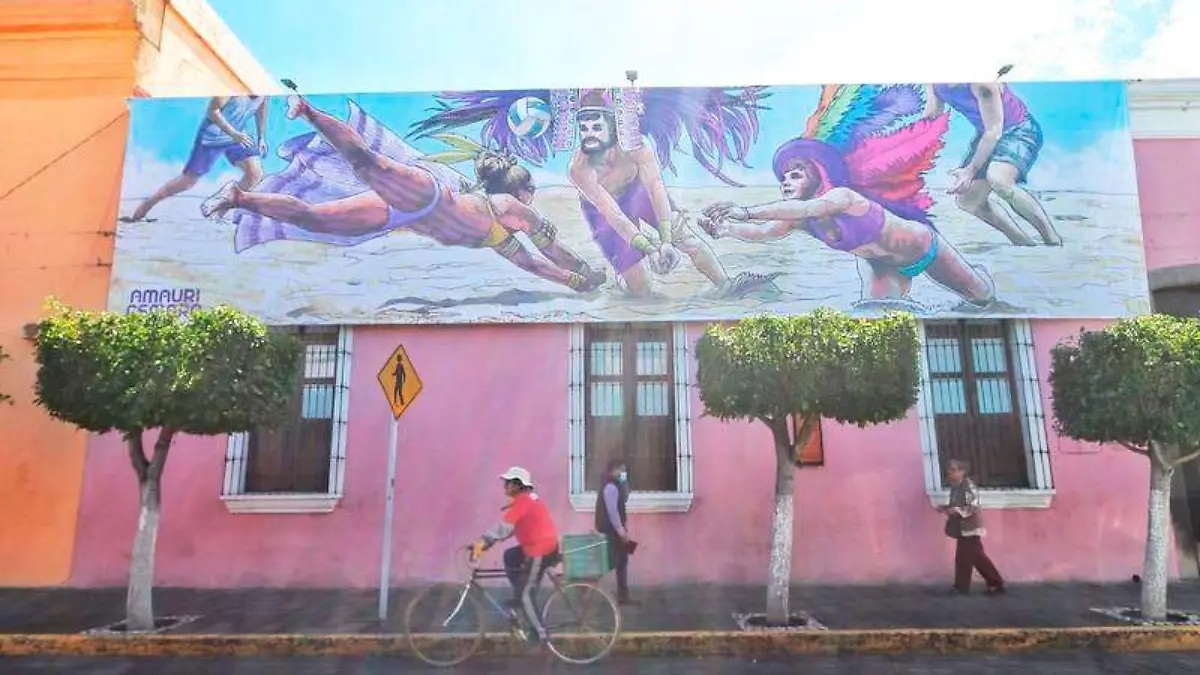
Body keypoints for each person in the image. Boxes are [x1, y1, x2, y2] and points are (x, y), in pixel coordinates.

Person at [200, 96, 606, 293]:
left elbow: (535, 265)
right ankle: (305, 109)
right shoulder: (507, 207)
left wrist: (575, 282)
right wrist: (585, 271)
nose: (533, 196)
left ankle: (237, 197)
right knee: (366, 163)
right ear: (519, 189)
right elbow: (551, 250)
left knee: (316, 218)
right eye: (531, 189)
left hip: (402, 215)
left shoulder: (502, 239)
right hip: (426, 197)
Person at [409, 86, 780, 299]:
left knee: (689, 241)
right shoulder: (579, 168)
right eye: (582, 125)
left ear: (613, 125)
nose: (587, 131)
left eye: (594, 124)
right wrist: (648, 248)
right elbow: (611, 213)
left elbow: (655, 187)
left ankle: (726, 285)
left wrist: (665, 239)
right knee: (640, 291)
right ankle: (625, 289)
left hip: (639, 192)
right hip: (603, 210)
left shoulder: (638, 148)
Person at [699, 84, 995, 308]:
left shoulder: (841, 197)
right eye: (784, 177)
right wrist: (727, 230)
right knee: (875, 313)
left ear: (816, 176)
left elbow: (807, 209)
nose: (786, 181)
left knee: (984, 300)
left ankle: (975, 275)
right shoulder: (801, 219)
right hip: (882, 267)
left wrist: (747, 211)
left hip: (926, 249)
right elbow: (764, 233)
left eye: (796, 174)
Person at [922, 83, 1062, 247]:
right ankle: (1023, 243)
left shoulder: (981, 82)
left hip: (1018, 131)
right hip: (987, 134)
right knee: (968, 200)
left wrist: (970, 170)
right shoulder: (933, 80)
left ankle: (1052, 240)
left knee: (999, 180)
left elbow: (994, 131)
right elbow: (933, 115)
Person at [124, 95, 267, 222]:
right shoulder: (232, 89)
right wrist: (233, 133)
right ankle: (146, 206)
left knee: (255, 174)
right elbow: (212, 111)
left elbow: (261, 109)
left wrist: (261, 137)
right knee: (186, 182)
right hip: (213, 136)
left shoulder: (264, 91)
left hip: (239, 136)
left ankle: (219, 207)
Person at [470, 467, 561, 644]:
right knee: (511, 556)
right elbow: (510, 529)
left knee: (524, 592)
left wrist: (482, 542)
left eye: (508, 482)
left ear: (518, 485)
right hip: (536, 545)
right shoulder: (525, 500)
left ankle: (540, 634)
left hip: (541, 549)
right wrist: (487, 543)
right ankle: (522, 595)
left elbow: (504, 528)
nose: (505, 485)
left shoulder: (524, 501)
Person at [939, 459, 1005, 595]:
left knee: (964, 558)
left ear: (962, 471)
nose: (950, 473)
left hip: (970, 527)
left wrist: (957, 511)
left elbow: (973, 506)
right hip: (963, 528)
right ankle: (996, 583)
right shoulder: (956, 487)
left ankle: (961, 587)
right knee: (977, 557)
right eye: (949, 471)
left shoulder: (968, 486)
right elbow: (956, 504)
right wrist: (946, 508)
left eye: (953, 470)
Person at [594, 459, 637, 605]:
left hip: (615, 530)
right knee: (611, 562)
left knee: (621, 561)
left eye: (624, 471)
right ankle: (587, 586)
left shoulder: (617, 485)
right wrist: (622, 533)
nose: (622, 473)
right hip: (611, 531)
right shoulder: (610, 487)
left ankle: (623, 595)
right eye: (620, 470)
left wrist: (624, 482)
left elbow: (624, 499)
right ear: (612, 470)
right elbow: (613, 512)